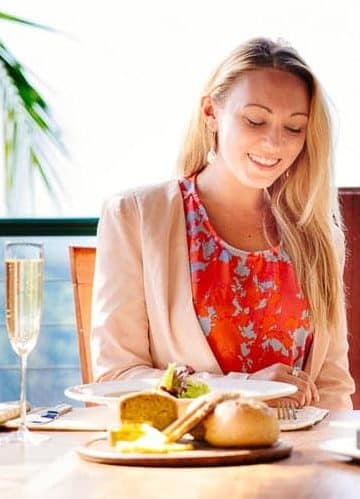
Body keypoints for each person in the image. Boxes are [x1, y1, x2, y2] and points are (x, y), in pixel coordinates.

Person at [91, 37, 355, 410]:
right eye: (255, 120)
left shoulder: (316, 232)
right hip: (189, 462)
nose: (274, 142)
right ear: (210, 114)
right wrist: (242, 389)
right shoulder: (135, 216)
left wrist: (336, 464)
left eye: (295, 128)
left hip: (300, 461)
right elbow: (115, 379)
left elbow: (332, 387)